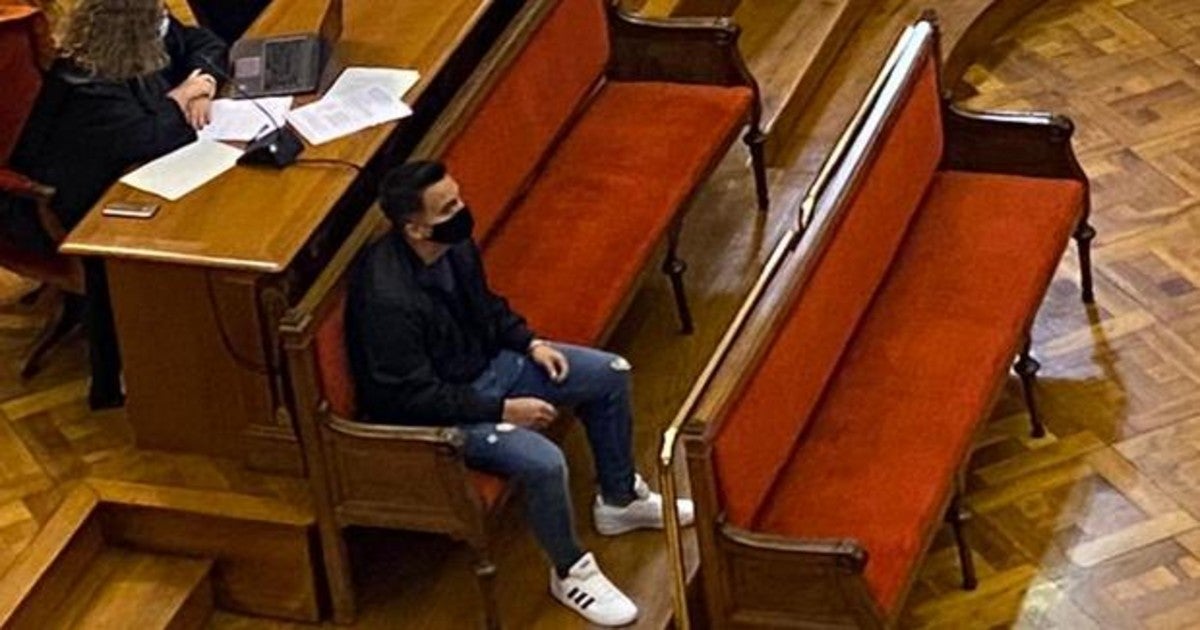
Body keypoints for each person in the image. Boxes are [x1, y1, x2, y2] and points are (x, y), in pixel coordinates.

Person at [347, 161, 695, 627]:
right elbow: (408, 398)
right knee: (544, 461)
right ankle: (570, 571)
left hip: (491, 368)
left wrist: (530, 342)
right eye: (447, 208)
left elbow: (487, 307)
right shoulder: (387, 301)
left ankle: (619, 500)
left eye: (459, 198)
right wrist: (501, 409)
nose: (462, 211)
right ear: (414, 228)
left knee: (610, 373)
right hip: (445, 416)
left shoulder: (454, 245)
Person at [10, 0, 227, 408]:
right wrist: (181, 96)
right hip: (63, 213)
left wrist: (204, 83)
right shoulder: (86, 87)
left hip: (124, 177)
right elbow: (151, 138)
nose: (165, 27)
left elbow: (204, 43)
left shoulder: (141, 32)